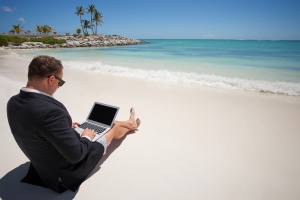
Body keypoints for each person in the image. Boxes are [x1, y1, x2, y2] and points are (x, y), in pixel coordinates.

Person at [6, 55, 140, 193]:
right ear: (52, 79)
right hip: (64, 174)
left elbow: (36, 128)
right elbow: (76, 155)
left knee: (100, 124)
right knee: (113, 128)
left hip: (42, 167)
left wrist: (62, 129)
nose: (59, 87)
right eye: (60, 82)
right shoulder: (49, 111)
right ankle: (131, 125)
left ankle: (129, 123)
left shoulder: (13, 102)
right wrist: (86, 137)